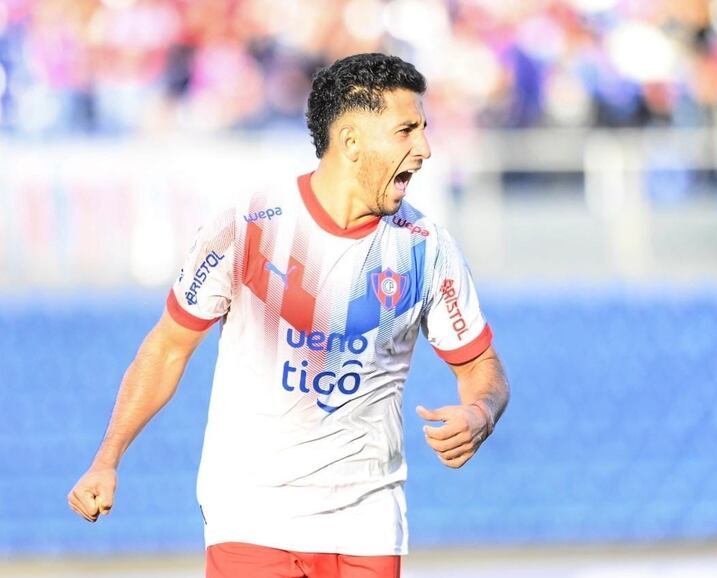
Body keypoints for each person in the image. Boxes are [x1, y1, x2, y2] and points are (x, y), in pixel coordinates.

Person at [68, 53, 509, 578]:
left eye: (425, 129)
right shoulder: (249, 227)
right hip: (253, 515)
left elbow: (481, 365)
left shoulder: (426, 248)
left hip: (368, 519)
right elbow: (168, 347)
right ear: (350, 142)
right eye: (406, 131)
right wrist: (107, 458)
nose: (425, 149)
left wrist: (480, 413)